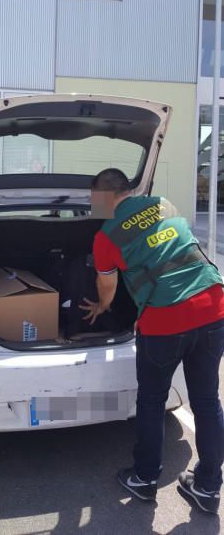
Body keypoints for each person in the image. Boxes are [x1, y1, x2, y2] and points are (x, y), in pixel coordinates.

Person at [80, 168, 224, 515]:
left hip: (165, 321)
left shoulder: (106, 236)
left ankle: (144, 479)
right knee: (206, 402)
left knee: (152, 401)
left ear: (103, 196)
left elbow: (108, 287)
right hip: (213, 307)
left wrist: (101, 306)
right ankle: (207, 487)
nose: (91, 205)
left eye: (92, 199)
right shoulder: (164, 205)